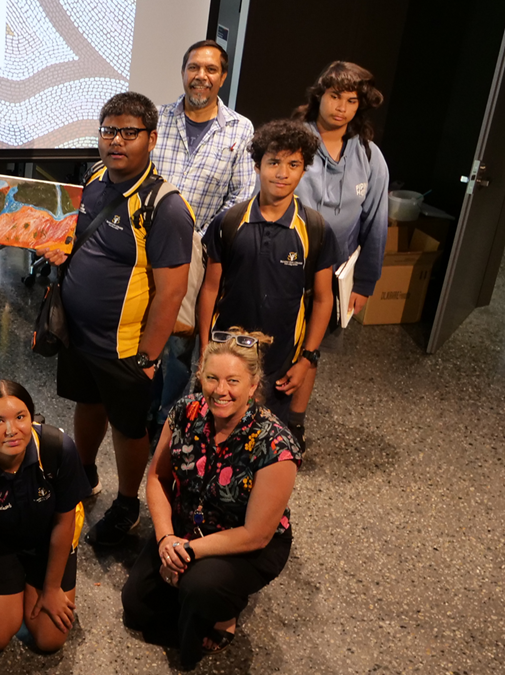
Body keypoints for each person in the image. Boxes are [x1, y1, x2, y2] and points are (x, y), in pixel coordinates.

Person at [36, 92, 195, 547]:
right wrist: (57, 249)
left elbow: (172, 291)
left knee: (129, 427)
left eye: (130, 133)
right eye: (109, 131)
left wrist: (148, 358)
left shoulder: (165, 206)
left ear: (152, 138)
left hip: (127, 347)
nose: (117, 141)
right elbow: (78, 241)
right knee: (88, 404)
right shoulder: (96, 178)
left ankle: (127, 505)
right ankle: (83, 476)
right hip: (79, 336)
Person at [120, 330, 301, 670]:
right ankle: (197, 597)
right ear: (200, 375)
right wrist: (165, 539)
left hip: (245, 544)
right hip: (187, 522)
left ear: (253, 384)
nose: (221, 390)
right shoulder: (185, 411)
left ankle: (224, 612)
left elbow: (256, 534)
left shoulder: (277, 445)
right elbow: (158, 478)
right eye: (212, 378)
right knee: (136, 608)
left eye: (233, 380)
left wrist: (186, 552)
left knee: (201, 588)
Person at [196, 120, 341, 441]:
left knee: (264, 439)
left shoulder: (315, 229)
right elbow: (210, 289)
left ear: (304, 169)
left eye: (293, 164)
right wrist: (205, 348)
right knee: (218, 433)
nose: (282, 172)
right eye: (273, 162)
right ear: (257, 164)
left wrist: (308, 358)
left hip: (279, 360)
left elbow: (322, 299)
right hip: (226, 355)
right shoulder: (229, 222)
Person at [151, 40, 257, 425]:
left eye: (211, 70)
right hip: (143, 244)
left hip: (197, 251)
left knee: (179, 340)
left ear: (223, 77)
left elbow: (242, 196)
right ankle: (136, 408)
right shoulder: (157, 120)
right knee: (138, 328)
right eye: (194, 67)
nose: (201, 76)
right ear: (183, 72)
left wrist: (205, 243)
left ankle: (167, 416)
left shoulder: (240, 130)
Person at [0, 380, 90, 653]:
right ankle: (13, 592)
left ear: (31, 417)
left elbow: (64, 522)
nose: (12, 430)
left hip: (49, 543)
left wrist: (51, 589)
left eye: (20, 417)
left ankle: (34, 589)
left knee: (50, 641)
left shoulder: (58, 448)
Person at [289, 61, 390, 432]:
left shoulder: (369, 156)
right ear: (320, 96)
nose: (341, 107)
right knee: (266, 347)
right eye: (334, 97)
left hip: (331, 280)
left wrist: (365, 283)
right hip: (282, 267)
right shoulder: (292, 141)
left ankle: (294, 424)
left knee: (312, 352)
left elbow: (377, 220)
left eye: (351, 100)